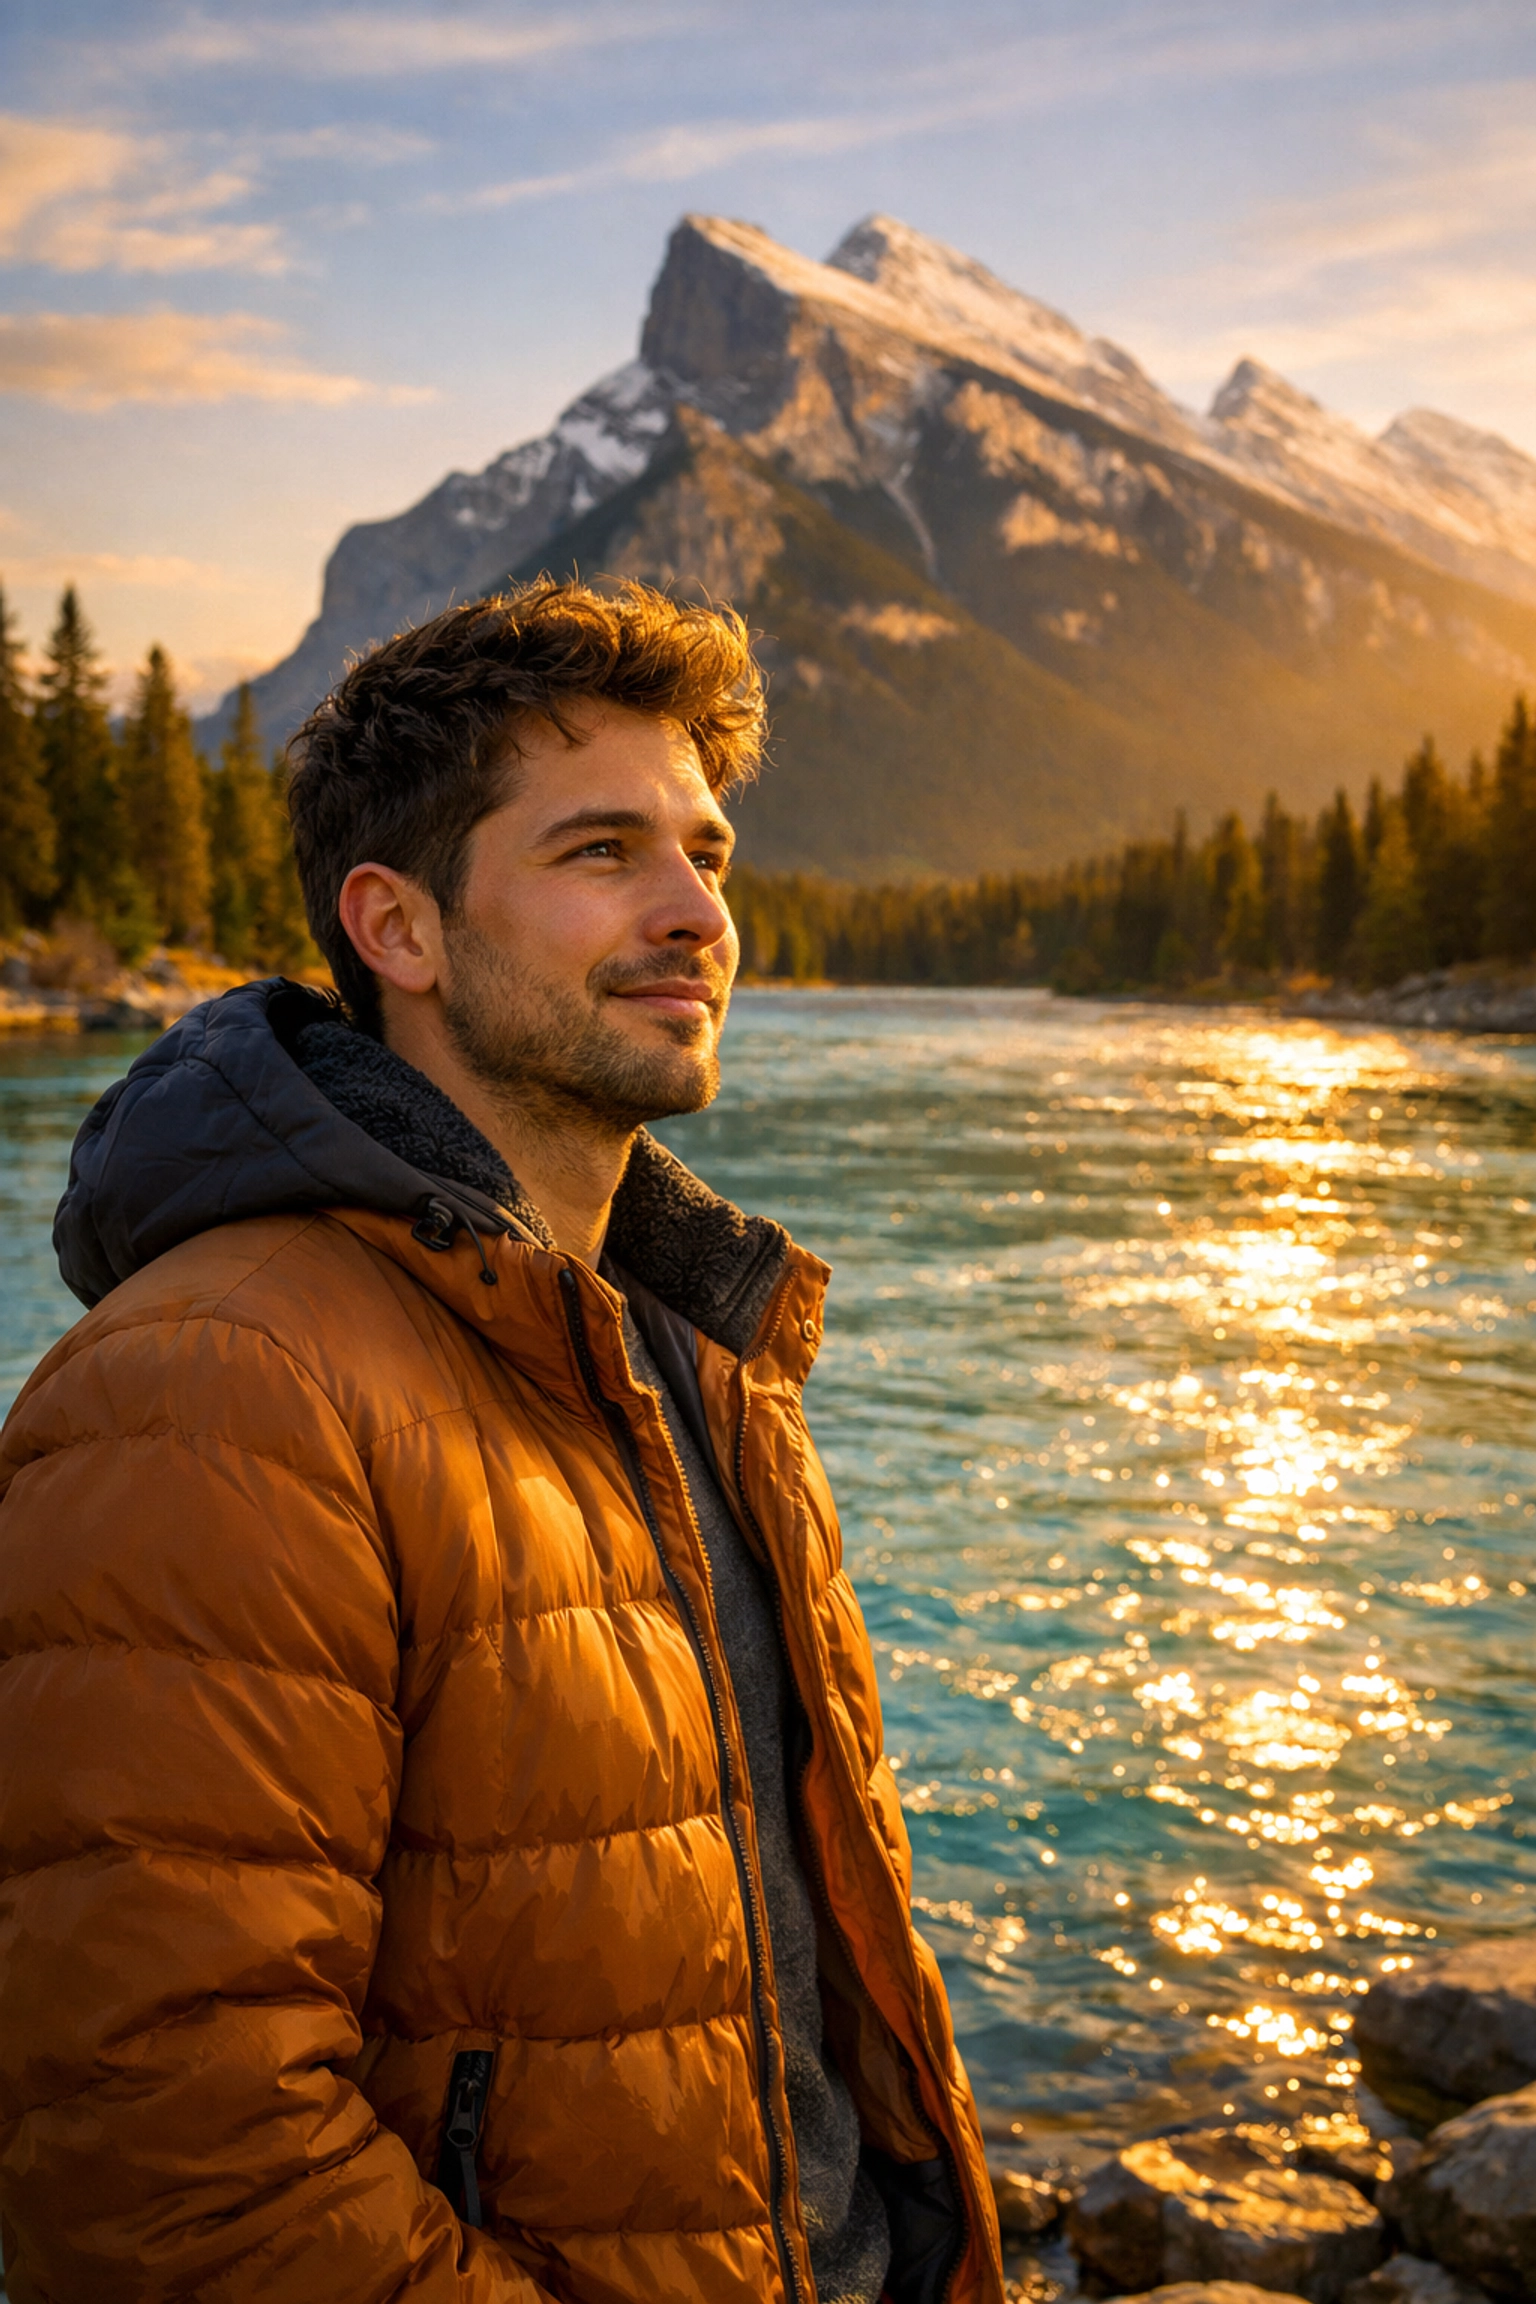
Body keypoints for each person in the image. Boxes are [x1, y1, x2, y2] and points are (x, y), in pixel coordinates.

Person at [0, 579, 1002, 2304]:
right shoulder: (213, 1387)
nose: (698, 912)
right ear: (397, 928)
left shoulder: (698, 1350)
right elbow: (168, 2159)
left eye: (711, 852)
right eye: (602, 852)